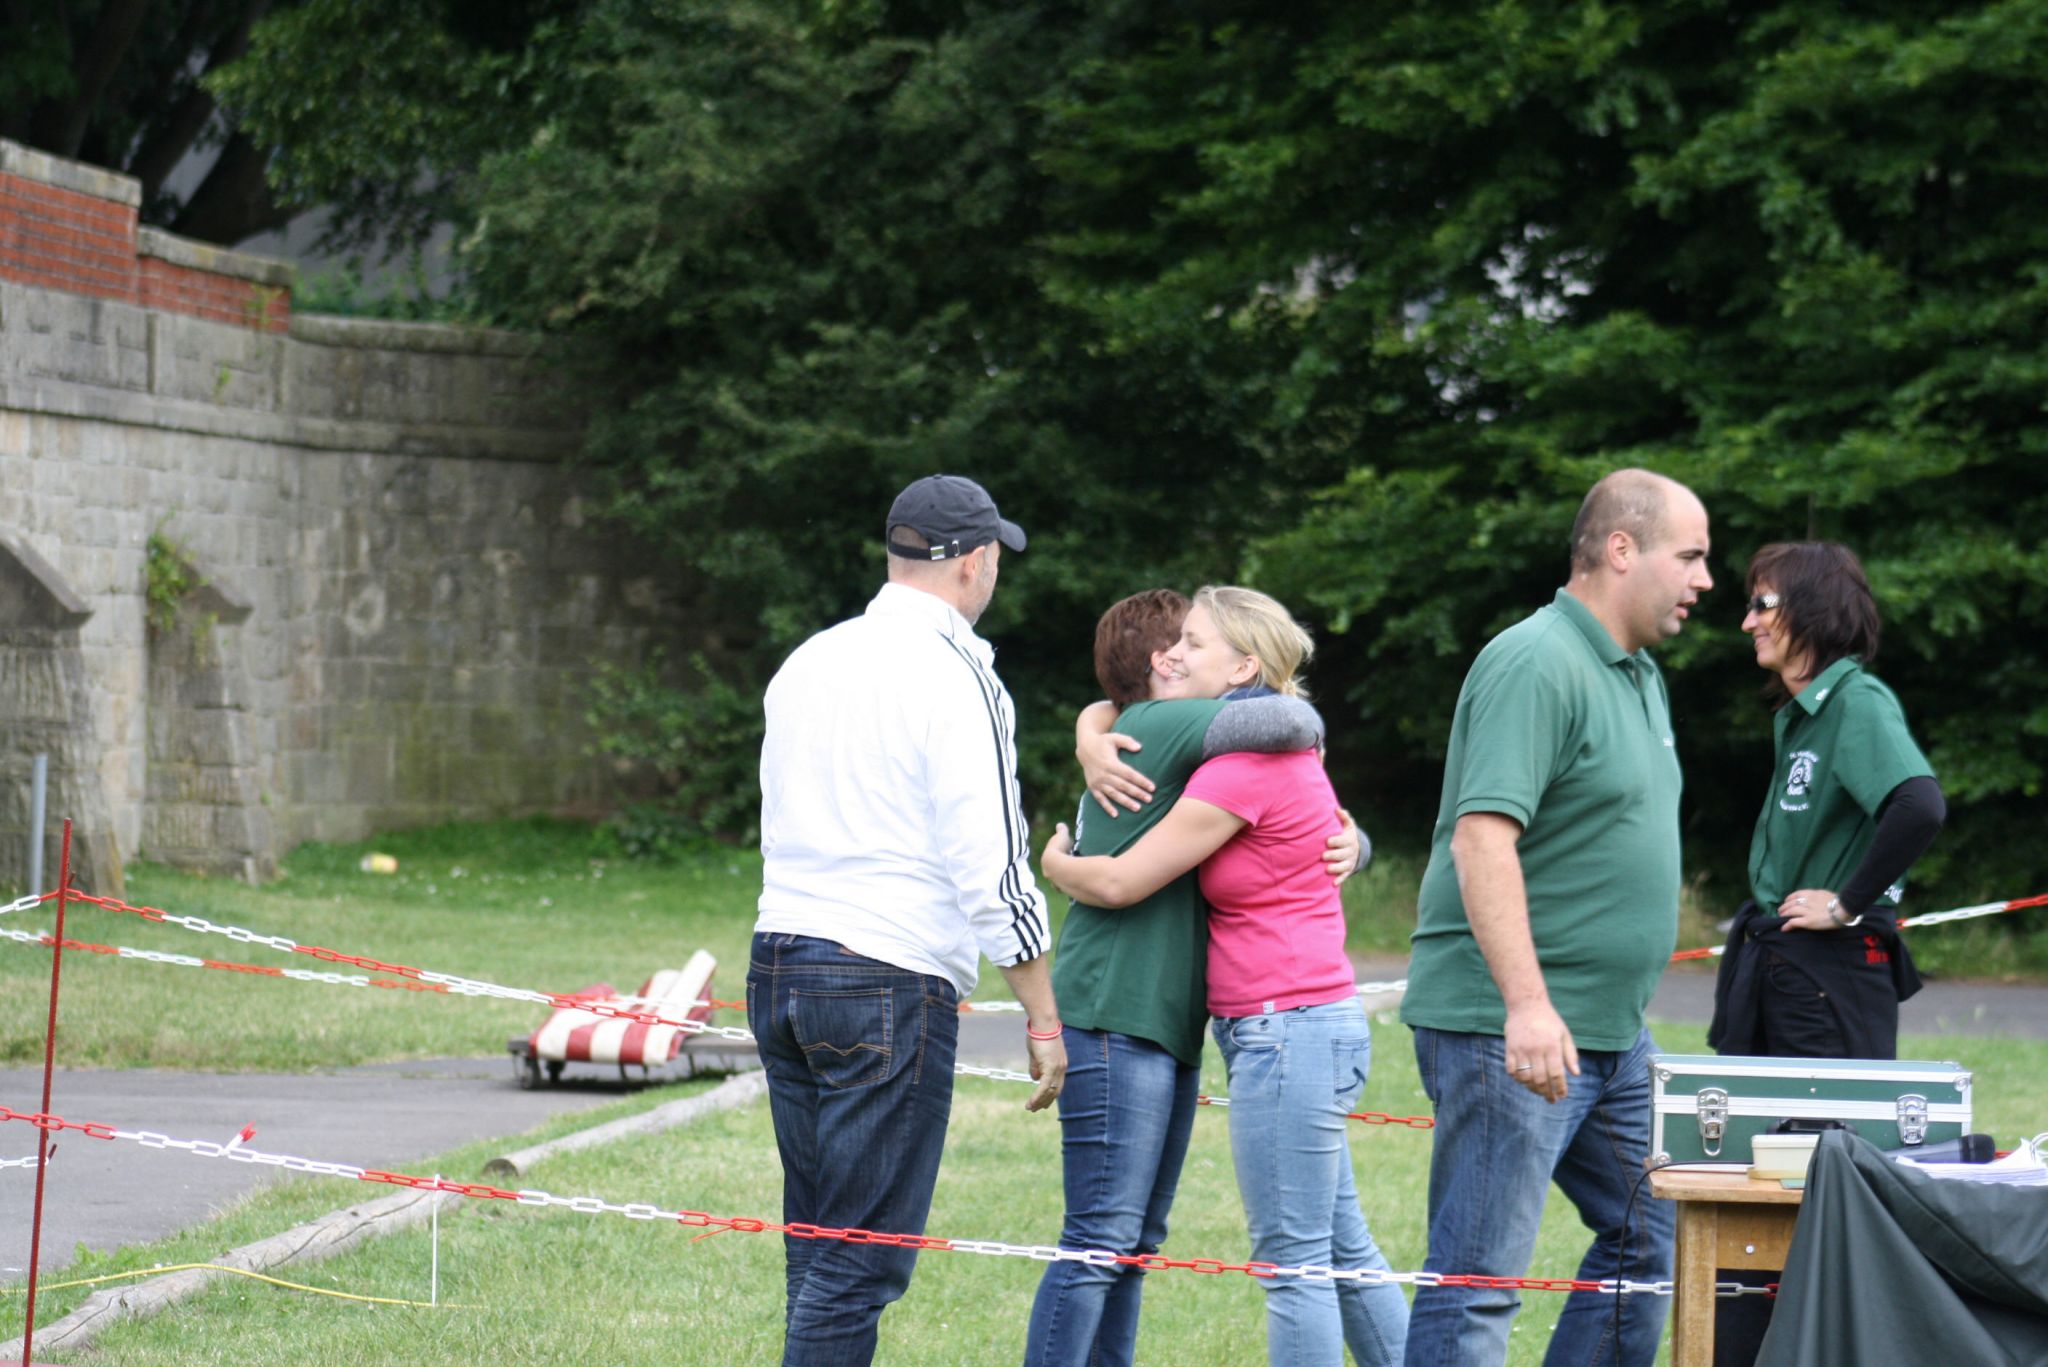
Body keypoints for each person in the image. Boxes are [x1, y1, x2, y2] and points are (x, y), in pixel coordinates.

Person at [1041, 586, 1407, 1367]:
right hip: (1301, 1022)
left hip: (1286, 1027)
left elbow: (1122, 879)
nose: (1172, 655)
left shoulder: (1247, 762)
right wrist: (1089, 730)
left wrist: (1056, 864)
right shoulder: (1242, 751)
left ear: (1243, 667)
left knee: (1294, 1263)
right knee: (1338, 1248)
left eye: (1194, 642)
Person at [750, 474, 1066, 1366]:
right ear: (975, 560)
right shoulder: (959, 672)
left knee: (818, 1246)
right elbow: (992, 860)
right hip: (885, 972)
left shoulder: (809, 658)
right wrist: (1043, 1014)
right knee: (860, 1260)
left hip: (780, 954)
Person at [1401, 469, 1710, 1367]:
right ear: (1621, 549)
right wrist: (1528, 1005)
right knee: (1479, 1280)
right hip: (1512, 1029)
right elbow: (1482, 839)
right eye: (1690, 556)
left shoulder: (1640, 673)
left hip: (1610, 1032)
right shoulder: (1534, 660)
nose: (1704, 580)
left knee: (1653, 1237)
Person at [1709, 542, 1944, 1060]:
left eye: (1762, 605)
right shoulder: (1805, 714)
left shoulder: (1855, 701)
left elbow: (1920, 805)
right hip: (1794, 967)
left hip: (1828, 974)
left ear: (1811, 608)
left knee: (1822, 1118)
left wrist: (1844, 907)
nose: (1748, 623)